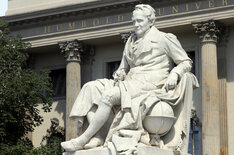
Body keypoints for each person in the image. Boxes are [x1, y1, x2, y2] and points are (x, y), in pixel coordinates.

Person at [61, 4, 193, 154]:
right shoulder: (130, 41)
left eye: (140, 21)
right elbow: (124, 67)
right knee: (91, 88)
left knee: (108, 96)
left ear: (150, 21)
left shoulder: (164, 39)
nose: (136, 25)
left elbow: (186, 62)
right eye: (134, 21)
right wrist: (119, 73)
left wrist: (175, 74)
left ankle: (82, 139)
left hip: (149, 84)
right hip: (130, 82)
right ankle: (98, 136)